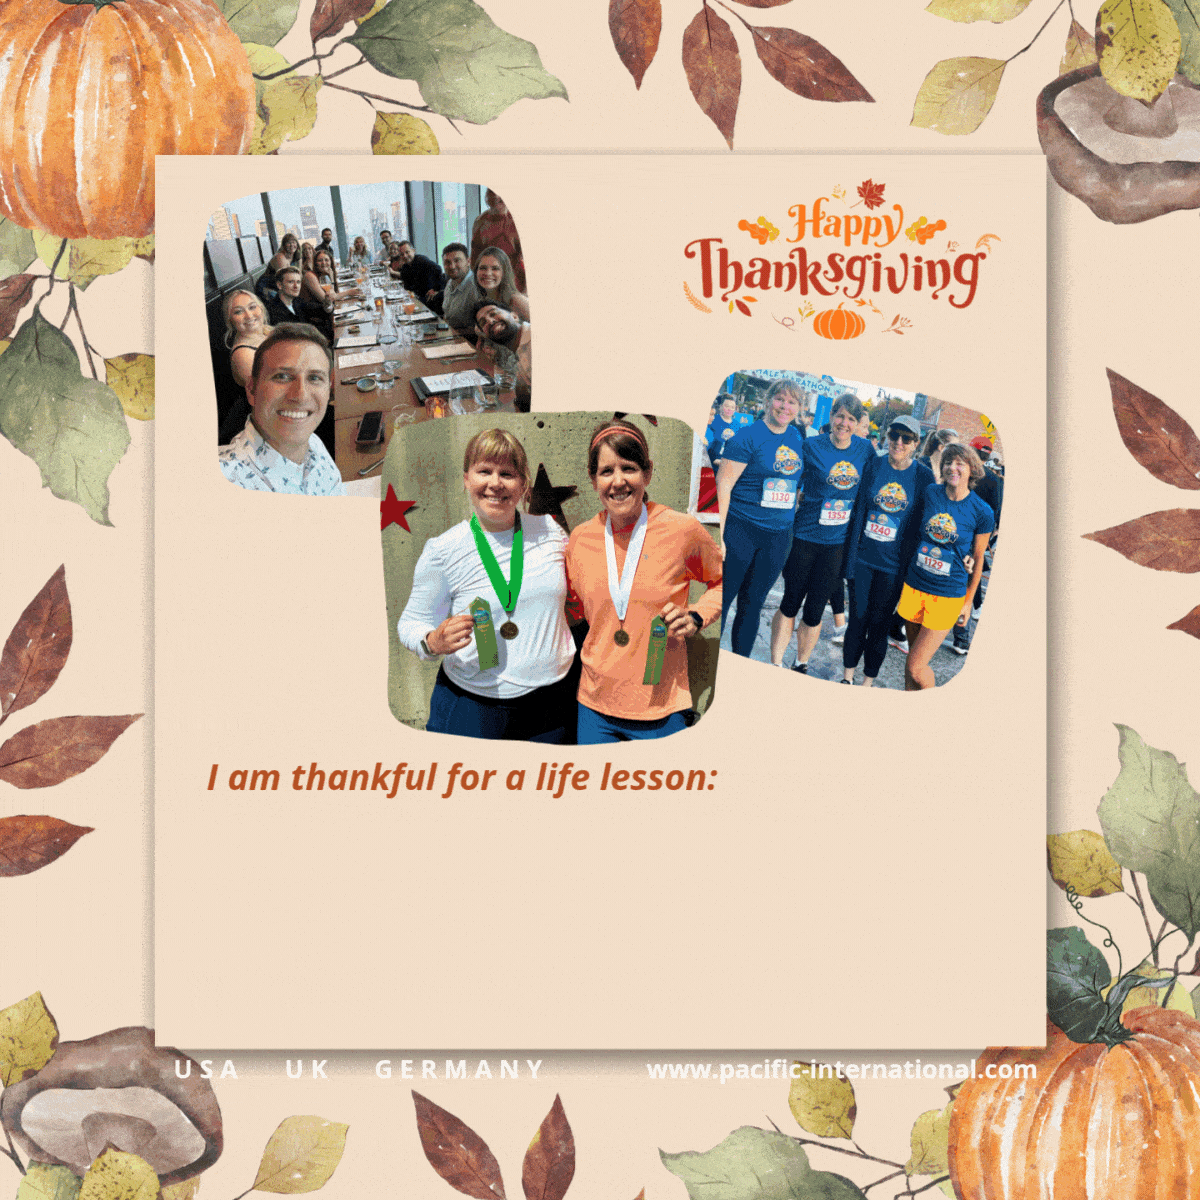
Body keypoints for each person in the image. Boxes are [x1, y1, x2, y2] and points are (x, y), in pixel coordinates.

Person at [396, 429, 576, 741]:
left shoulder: (550, 531)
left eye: (507, 473)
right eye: (484, 471)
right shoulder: (444, 549)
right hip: (474, 708)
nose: (495, 483)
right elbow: (411, 621)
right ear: (467, 479)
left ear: (523, 484)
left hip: (550, 702)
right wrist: (432, 641)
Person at [566, 421, 722, 743]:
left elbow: (722, 581)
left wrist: (696, 616)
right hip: (595, 708)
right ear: (593, 479)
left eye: (629, 468)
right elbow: (573, 610)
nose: (618, 481)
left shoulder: (682, 530)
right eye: (606, 471)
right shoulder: (580, 540)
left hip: (662, 709)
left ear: (648, 473)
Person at [769, 394, 875, 674]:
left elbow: (879, 486)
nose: (844, 423)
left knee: (815, 610)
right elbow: (784, 474)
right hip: (804, 538)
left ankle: (801, 663)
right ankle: (776, 663)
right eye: (840, 416)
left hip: (836, 545)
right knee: (790, 602)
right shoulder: (810, 445)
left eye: (851, 419)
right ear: (831, 418)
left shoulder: (865, 451)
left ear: (858, 423)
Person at [839, 415, 934, 686]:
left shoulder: (924, 477)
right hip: (863, 560)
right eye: (894, 436)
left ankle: (867, 684)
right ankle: (847, 679)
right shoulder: (874, 465)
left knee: (879, 627)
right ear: (887, 437)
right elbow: (858, 512)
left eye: (907, 438)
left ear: (917, 443)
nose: (899, 443)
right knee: (857, 621)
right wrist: (849, 561)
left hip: (894, 569)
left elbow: (933, 520)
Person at [716, 380, 806, 658]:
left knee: (752, 604)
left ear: (799, 409)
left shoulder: (796, 438)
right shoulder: (747, 436)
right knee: (720, 602)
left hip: (777, 537)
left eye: (792, 402)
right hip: (740, 531)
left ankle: (738, 664)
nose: (784, 407)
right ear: (769, 401)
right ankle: (701, 668)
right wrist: (718, 536)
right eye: (780, 399)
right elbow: (723, 486)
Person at [898, 442, 995, 689]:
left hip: (947, 594)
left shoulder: (982, 511)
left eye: (960, 463)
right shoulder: (931, 493)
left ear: (972, 469)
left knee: (916, 667)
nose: (953, 467)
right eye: (948, 462)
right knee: (911, 661)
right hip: (915, 585)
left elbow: (979, 557)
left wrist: (967, 602)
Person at [218, 324, 345, 495]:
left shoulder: (314, 443)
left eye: (314, 378)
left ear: (329, 389)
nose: (300, 395)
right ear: (251, 389)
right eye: (282, 376)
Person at [473, 299, 530, 407]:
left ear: (514, 317)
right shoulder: (516, 349)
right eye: (483, 322)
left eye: (494, 314)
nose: (490, 321)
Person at [470, 189, 525, 292]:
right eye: (491, 191)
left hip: (512, 287)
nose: (496, 196)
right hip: (487, 285)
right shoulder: (479, 221)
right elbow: (474, 261)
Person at [222, 289, 272, 391]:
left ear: (261, 308)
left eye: (252, 307)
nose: (249, 316)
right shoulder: (243, 354)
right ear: (230, 320)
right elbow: (269, 394)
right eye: (238, 312)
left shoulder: (267, 331)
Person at [474, 246, 530, 322]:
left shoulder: (516, 300)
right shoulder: (482, 301)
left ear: (504, 273)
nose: (488, 273)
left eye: (495, 268)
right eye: (483, 268)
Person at [263, 266, 326, 330]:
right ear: (279, 285)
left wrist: (328, 305)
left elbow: (318, 310)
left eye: (298, 282)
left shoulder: (296, 300)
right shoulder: (273, 311)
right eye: (291, 282)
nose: (296, 286)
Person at [439, 242, 482, 330]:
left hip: (466, 340)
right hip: (448, 334)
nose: (452, 266)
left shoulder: (477, 286)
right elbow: (447, 315)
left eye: (457, 260)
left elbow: (482, 328)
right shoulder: (450, 282)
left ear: (468, 261)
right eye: (447, 262)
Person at [303, 246, 361, 311]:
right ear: (315, 263)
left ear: (331, 262)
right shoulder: (310, 276)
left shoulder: (323, 275)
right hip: (313, 316)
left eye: (326, 260)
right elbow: (329, 299)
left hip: (324, 312)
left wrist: (350, 292)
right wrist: (332, 279)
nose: (323, 263)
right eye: (320, 260)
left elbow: (332, 296)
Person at [706, 396, 743, 466]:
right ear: (721, 406)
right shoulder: (713, 420)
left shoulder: (737, 425)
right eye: (727, 406)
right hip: (711, 463)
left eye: (732, 407)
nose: (729, 409)